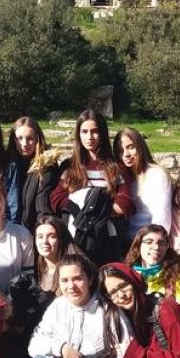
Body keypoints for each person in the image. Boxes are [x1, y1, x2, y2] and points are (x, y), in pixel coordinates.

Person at [50, 109, 134, 264]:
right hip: (76, 237)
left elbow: (125, 203)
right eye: (84, 132)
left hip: (107, 239)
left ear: (102, 133)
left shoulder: (116, 167)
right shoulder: (70, 166)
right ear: (78, 134)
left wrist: (96, 215)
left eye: (95, 131)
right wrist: (79, 213)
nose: (89, 137)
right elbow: (57, 198)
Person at [114, 127, 173, 237]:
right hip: (123, 240)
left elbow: (162, 220)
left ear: (140, 146)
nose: (126, 154)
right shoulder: (122, 177)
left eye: (131, 147)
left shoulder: (157, 175)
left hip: (148, 241)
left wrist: (153, 242)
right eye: (121, 151)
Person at [4, 116, 60, 230]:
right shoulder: (7, 164)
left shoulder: (46, 166)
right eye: (19, 138)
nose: (24, 144)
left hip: (32, 229)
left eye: (30, 138)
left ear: (37, 140)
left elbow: (43, 205)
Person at [125, 224, 180, 303]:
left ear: (167, 247)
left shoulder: (178, 276)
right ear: (138, 245)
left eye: (161, 243)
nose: (156, 247)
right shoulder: (126, 276)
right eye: (149, 242)